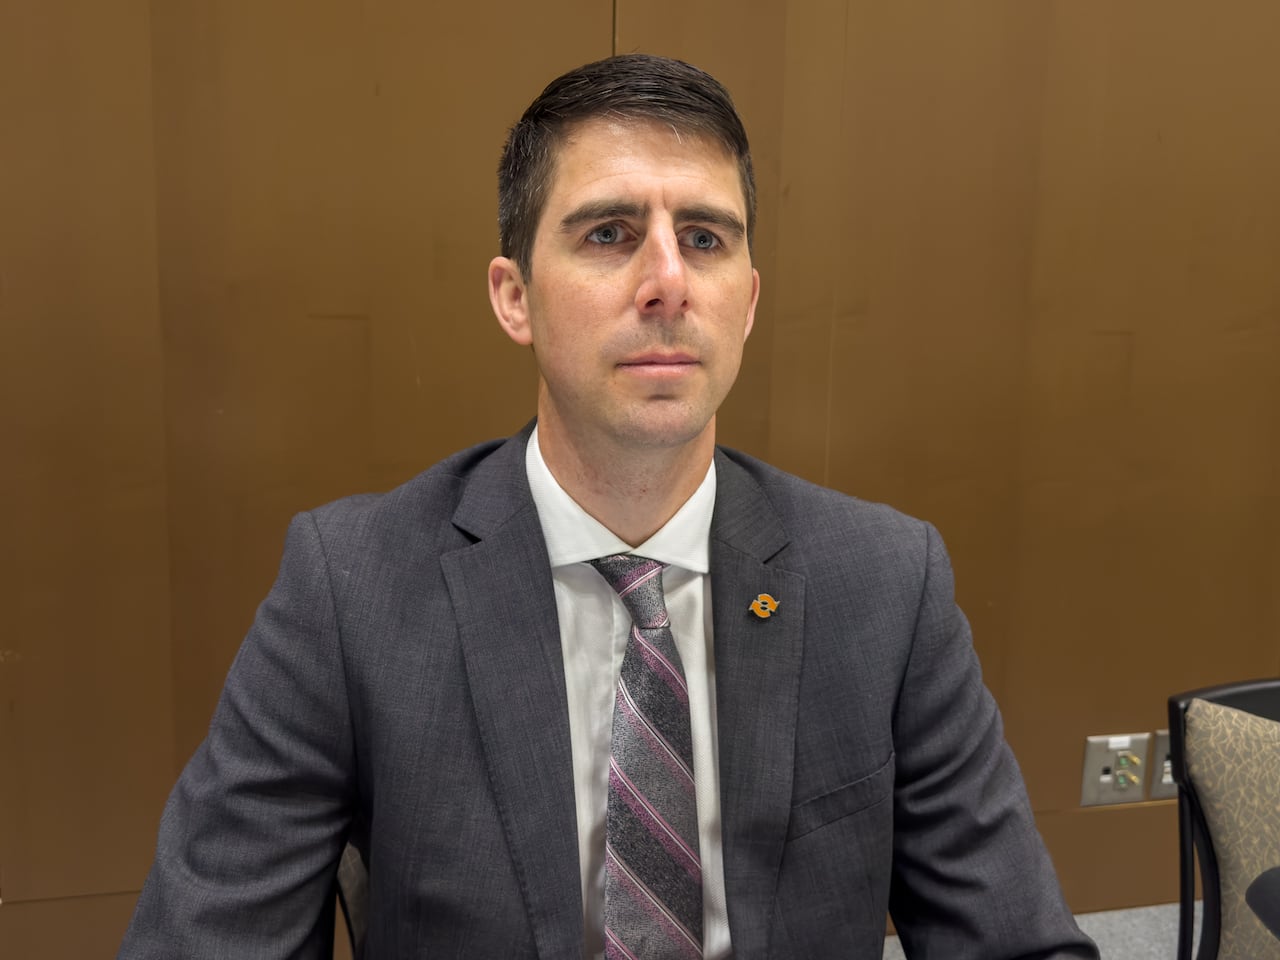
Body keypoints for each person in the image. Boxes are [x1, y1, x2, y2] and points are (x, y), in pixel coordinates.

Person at [119, 54, 1099, 959]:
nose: (667, 282)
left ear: (746, 301)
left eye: (703, 239)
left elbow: (1016, 940)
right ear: (514, 297)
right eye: (608, 234)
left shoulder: (884, 583)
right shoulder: (352, 586)